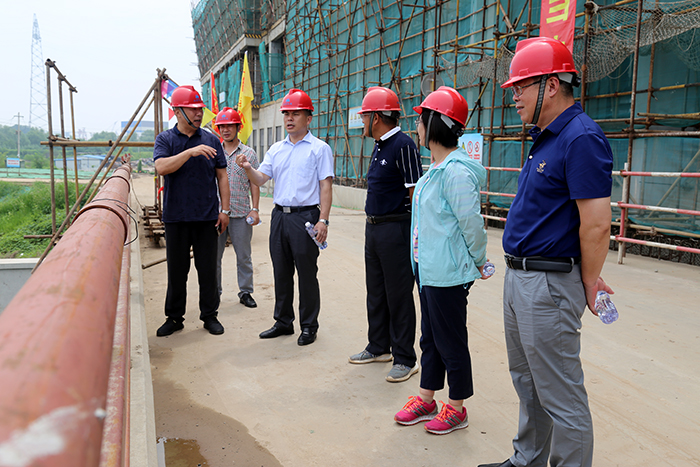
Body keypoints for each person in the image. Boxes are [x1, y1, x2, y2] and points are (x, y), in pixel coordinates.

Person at [477, 37, 614, 467]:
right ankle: (528, 459)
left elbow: (597, 223)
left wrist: (589, 281)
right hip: (522, 278)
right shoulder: (548, 137)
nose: (514, 96)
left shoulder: (581, 137)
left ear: (552, 85)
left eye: (522, 86)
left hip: (549, 284)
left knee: (561, 394)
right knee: (528, 383)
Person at [393, 86, 490, 435]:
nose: (417, 128)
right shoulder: (435, 169)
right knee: (430, 337)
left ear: (435, 123)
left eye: (421, 121)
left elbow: (471, 224)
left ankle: (457, 407)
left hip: (448, 273)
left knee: (451, 341)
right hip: (428, 270)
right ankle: (427, 398)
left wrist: (478, 260)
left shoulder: (455, 173)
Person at [236, 89, 334, 346]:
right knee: (281, 271)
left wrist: (323, 220)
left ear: (308, 118)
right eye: (286, 114)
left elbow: (325, 186)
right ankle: (283, 322)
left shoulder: (319, 149)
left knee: (306, 273)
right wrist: (248, 168)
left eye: (295, 114)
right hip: (280, 216)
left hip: (306, 217)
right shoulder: (276, 149)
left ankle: (309, 326)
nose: (289, 118)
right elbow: (261, 178)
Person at [348, 86, 423, 383]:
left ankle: (405, 358)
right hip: (374, 228)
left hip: (396, 229)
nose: (362, 121)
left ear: (376, 117)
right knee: (376, 290)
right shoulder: (380, 145)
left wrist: (415, 235)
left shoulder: (403, 145)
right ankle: (379, 346)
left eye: (364, 116)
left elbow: (415, 193)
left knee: (399, 294)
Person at [153, 85, 230, 337]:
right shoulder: (165, 139)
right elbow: (161, 167)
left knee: (207, 271)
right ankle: (174, 318)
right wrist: (189, 152)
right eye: (193, 109)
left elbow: (222, 177)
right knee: (177, 272)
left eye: (200, 109)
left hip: (206, 217)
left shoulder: (212, 140)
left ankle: (210, 315)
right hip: (176, 218)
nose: (199, 114)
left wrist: (225, 210)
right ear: (177, 111)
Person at [214, 107, 260, 309]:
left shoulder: (249, 153)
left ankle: (246, 292)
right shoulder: (214, 152)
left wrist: (255, 209)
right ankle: (214, 293)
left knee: (244, 256)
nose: (225, 130)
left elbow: (255, 182)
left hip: (241, 213)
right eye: (222, 126)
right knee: (214, 257)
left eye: (229, 126)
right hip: (217, 214)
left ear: (238, 127)